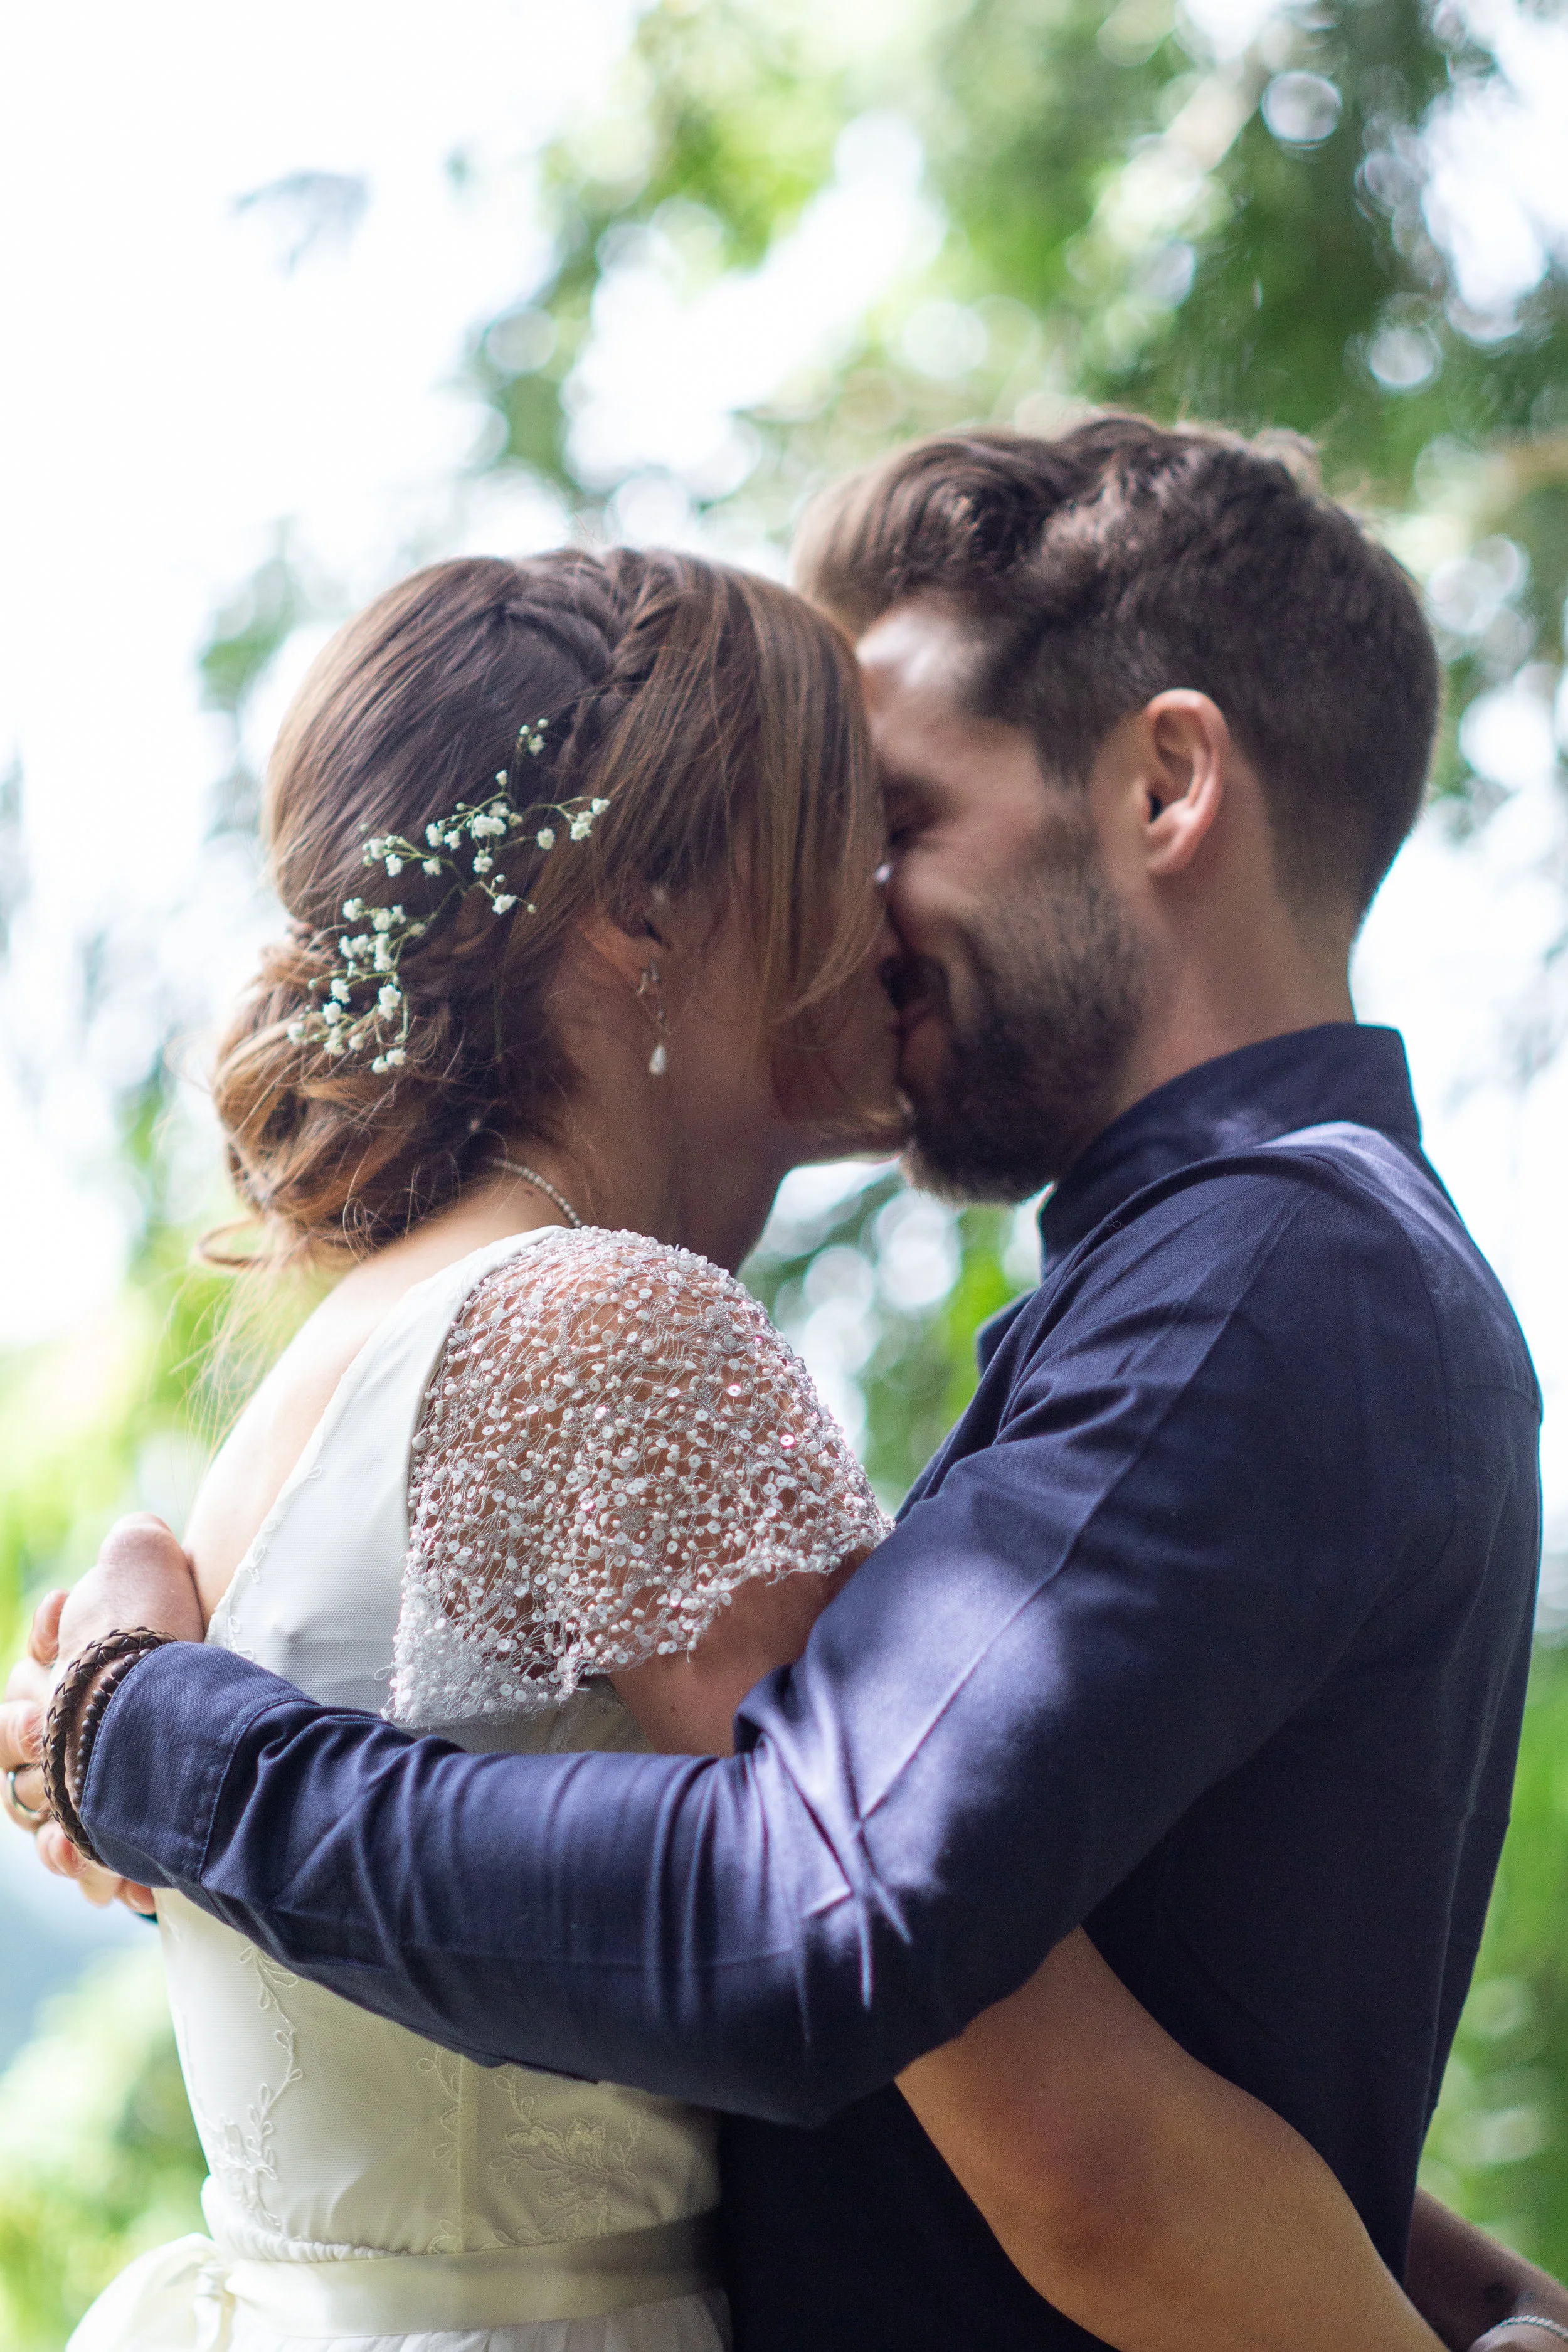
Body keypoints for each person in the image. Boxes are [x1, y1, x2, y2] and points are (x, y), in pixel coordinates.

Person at [4, 421, 1562, 2351]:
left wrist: (148, 1743)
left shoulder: (1259, 1272)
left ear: (1165, 786)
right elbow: (1008, 2013)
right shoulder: (635, 1325)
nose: (865, 900)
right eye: (832, 828)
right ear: (636, 909)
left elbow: (849, 1941)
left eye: (896, 810)